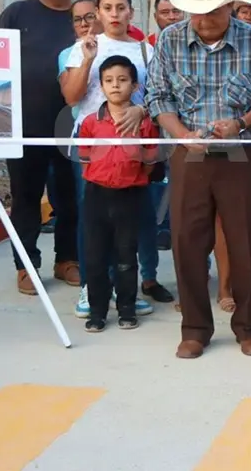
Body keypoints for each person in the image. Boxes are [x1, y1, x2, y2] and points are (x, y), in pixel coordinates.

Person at [146, 0, 251, 360]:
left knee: (245, 240)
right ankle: (194, 328)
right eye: (198, 10)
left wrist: (242, 122)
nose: (205, 19)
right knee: (187, 240)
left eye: (213, 10)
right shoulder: (170, 40)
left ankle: (247, 326)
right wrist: (181, 135)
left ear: (230, 8)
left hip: (243, 151)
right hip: (189, 152)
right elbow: (158, 98)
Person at [63, 0, 172, 318]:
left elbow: (157, 95)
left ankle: (128, 288)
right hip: (94, 145)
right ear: (97, 12)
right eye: (107, 7)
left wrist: (142, 111)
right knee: (92, 221)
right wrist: (88, 60)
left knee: (133, 221)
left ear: (130, 12)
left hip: (133, 147)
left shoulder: (145, 51)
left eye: (120, 7)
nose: (114, 13)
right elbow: (71, 96)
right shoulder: (81, 48)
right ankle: (91, 289)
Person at [0, 0, 82, 295]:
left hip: (71, 125)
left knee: (70, 197)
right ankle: (26, 265)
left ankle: (68, 260)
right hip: (23, 126)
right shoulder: (18, 13)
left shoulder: (81, 18)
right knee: (26, 197)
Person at [76, 55, 160, 332]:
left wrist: (135, 162)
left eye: (122, 80)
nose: (115, 86)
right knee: (96, 255)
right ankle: (98, 312)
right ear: (100, 86)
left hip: (130, 196)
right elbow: (84, 156)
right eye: (109, 81)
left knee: (126, 254)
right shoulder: (90, 122)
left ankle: (127, 308)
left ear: (135, 86)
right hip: (97, 196)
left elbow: (150, 160)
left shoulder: (144, 123)